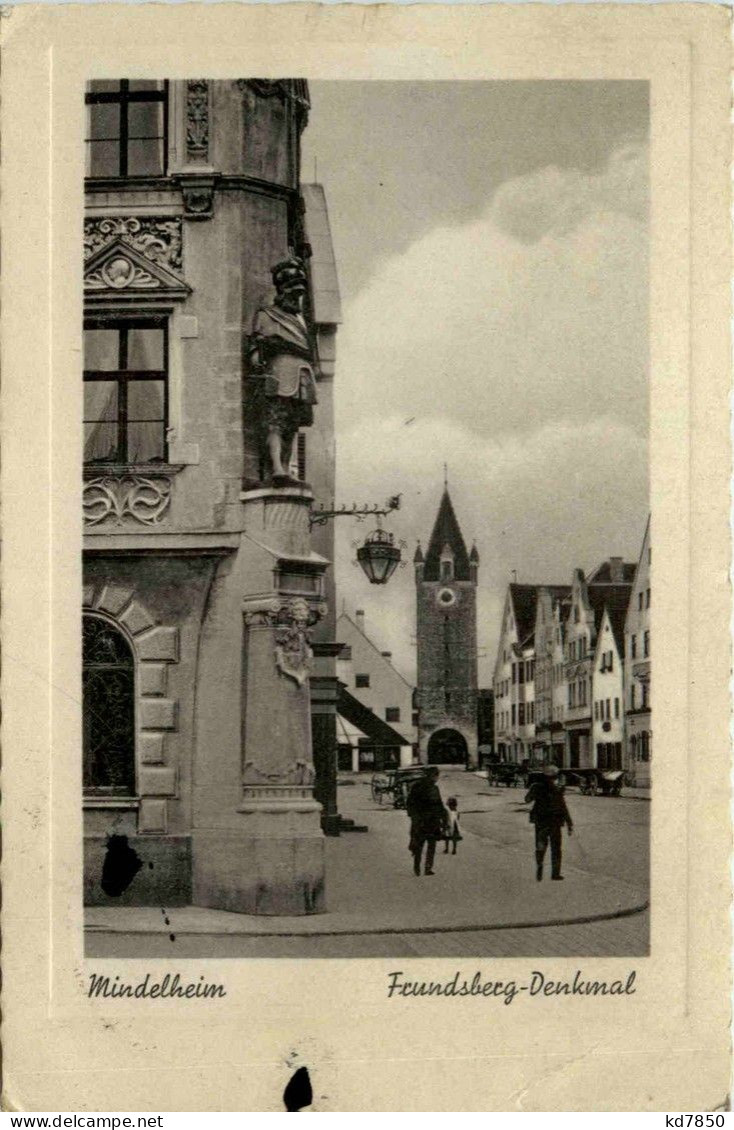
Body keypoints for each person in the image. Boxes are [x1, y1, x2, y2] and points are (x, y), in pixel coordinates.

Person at [248, 256, 318, 483]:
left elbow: (308, 348)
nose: (296, 297)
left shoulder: (301, 319)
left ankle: (287, 468)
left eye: (298, 293)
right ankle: (277, 468)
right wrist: (259, 357)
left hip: (302, 375)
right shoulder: (267, 314)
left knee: (293, 425)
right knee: (275, 423)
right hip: (280, 373)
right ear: (282, 291)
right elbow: (257, 345)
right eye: (292, 292)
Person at [525, 764, 573, 881]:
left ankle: (539, 867)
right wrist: (569, 823)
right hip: (555, 822)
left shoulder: (536, 786)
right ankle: (555, 874)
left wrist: (533, 791)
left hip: (541, 821)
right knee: (556, 848)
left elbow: (527, 799)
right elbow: (563, 806)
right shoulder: (557, 788)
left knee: (541, 845)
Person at [406, 766, 447, 876]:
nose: (437, 778)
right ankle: (427, 868)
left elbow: (410, 803)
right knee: (430, 845)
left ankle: (417, 868)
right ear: (433, 776)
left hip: (422, 821)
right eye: (437, 776)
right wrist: (444, 818)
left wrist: (413, 817)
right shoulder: (432, 788)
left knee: (419, 844)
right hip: (429, 821)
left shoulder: (418, 786)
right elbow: (439, 804)